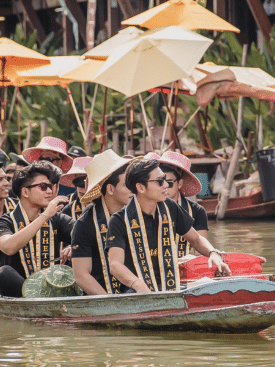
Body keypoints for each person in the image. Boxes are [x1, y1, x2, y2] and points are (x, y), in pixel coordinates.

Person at [106, 159, 231, 294]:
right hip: (136, 290)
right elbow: (115, 265)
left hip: (171, 283)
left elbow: (196, 239)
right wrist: (138, 285)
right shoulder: (119, 220)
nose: (166, 185)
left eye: (165, 180)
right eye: (160, 181)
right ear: (141, 188)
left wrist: (213, 253)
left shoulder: (170, 207)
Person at [0, 162, 75, 297]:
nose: (49, 191)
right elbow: (8, 247)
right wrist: (44, 216)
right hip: (20, 295)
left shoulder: (57, 218)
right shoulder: (6, 221)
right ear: (25, 192)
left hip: (55, 291)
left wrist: (75, 246)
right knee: (4, 273)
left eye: (50, 187)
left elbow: (87, 236)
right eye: (43, 187)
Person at [71, 149, 138, 295]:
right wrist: (111, 305)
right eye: (127, 185)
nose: (134, 189)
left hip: (139, 291)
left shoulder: (138, 214)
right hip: (104, 299)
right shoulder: (85, 223)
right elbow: (81, 276)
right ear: (110, 189)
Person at [158, 151, 208, 257]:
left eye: (169, 183)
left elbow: (200, 252)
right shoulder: (150, 207)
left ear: (180, 183)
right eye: (160, 182)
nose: (164, 187)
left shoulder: (197, 211)